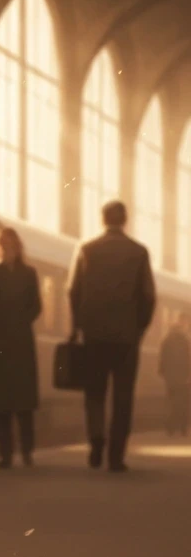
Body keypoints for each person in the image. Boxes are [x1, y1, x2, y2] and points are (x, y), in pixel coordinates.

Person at [67, 199, 156, 471]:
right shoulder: (139, 252)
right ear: (125, 220)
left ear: (103, 219)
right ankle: (116, 457)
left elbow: (73, 290)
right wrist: (139, 329)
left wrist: (78, 325)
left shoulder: (87, 249)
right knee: (123, 396)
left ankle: (96, 443)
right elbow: (148, 296)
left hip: (94, 335)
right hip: (127, 337)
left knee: (94, 392)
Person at [0, 227, 42, 468]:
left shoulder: (29, 273)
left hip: (20, 341)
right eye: (1, 245)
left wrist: (18, 321)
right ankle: (6, 454)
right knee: (2, 402)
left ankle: (27, 451)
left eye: (9, 245)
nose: (5, 249)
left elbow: (36, 306)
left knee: (23, 402)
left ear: (17, 247)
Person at [159, 313, 191, 437]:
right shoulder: (184, 341)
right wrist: (188, 374)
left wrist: (162, 372)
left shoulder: (166, 341)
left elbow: (163, 358)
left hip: (170, 377)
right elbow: (188, 359)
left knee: (171, 401)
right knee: (183, 401)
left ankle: (170, 427)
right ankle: (183, 427)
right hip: (182, 376)